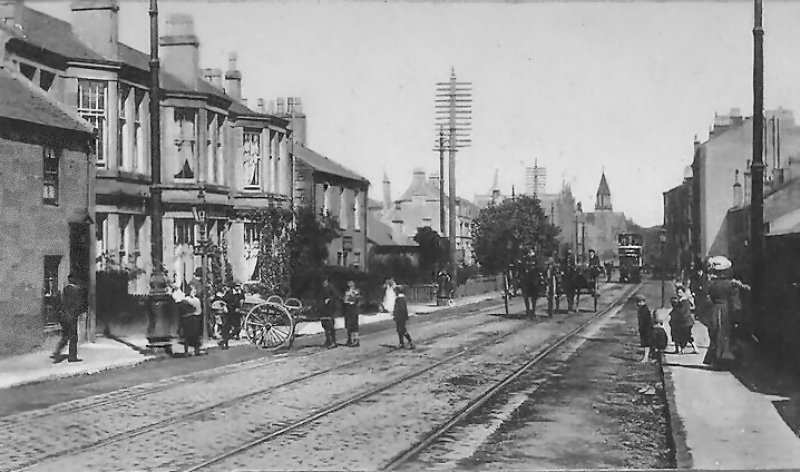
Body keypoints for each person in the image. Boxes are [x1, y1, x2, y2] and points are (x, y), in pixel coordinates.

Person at [703, 256, 750, 371]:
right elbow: (735, 303)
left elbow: (706, 299)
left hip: (714, 311)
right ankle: (724, 361)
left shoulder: (711, 284)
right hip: (726, 311)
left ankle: (715, 359)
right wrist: (738, 314)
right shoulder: (732, 285)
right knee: (725, 335)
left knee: (715, 334)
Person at [51, 273, 86, 363]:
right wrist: (80, 312)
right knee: (73, 337)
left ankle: (57, 351)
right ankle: (72, 357)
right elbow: (78, 304)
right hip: (72, 316)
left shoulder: (66, 289)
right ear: (74, 279)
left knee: (65, 336)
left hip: (64, 316)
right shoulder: (76, 290)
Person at [181, 287, 206, 356]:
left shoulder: (197, 300)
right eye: (192, 291)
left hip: (195, 318)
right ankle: (186, 351)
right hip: (187, 319)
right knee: (187, 336)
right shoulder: (185, 300)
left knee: (196, 335)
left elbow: (199, 310)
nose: (194, 292)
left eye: (195, 291)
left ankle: (196, 350)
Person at [320, 278, 342, 348]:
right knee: (325, 324)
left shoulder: (331, 288)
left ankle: (333, 342)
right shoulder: (322, 289)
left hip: (331, 308)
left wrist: (329, 299)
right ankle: (328, 341)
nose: (324, 283)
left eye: (325, 281)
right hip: (324, 308)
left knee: (330, 325)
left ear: (327, 281)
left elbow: (336, 296)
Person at [393, 285, 414, 349]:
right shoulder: (401, 298)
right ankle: (402, 343)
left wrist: (396, 315)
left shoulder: (400, 299)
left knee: (402, 330)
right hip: (401, 316)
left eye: (395, 291)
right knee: (400, 330)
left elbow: (400, 309)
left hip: (400, 317)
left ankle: (410, 342)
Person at [636, 294, 654, 363]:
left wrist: (642, 328)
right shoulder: (643, 309)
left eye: (639, 302)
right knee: (646, 344)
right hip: (645, 328)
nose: (638, 304)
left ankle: (646, 358)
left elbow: (645, 320)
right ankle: (646, 357)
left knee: (647, 344)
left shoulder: (643, 310)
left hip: (646, 329)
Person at [343, 280, 362, 347]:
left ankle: (356, 340)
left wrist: (351, 298)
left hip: (354, 309)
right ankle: (349, 339)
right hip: (348, 309)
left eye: (351, 284)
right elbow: (345, 300)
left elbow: (358, 300)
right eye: (349, 284)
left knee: (354, 325)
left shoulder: (356, 291)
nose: (349, 285)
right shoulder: (346, 292)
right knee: (348, 324)